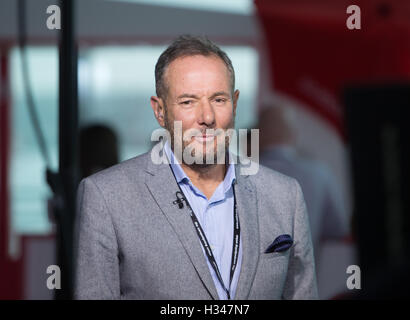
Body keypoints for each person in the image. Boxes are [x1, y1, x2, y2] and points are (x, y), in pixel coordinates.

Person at [74, 35, 318, 300]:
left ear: (235, 104)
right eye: (188, 101)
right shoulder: (107, 196)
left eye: (219, 100)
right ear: (160, 111)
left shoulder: (285, 195)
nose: (207, 117)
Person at [258, 105, 349, 264]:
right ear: (293, 135)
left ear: (257, 135)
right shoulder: (319, 173)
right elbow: (338, 228)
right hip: (304, 278)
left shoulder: (236, 175)